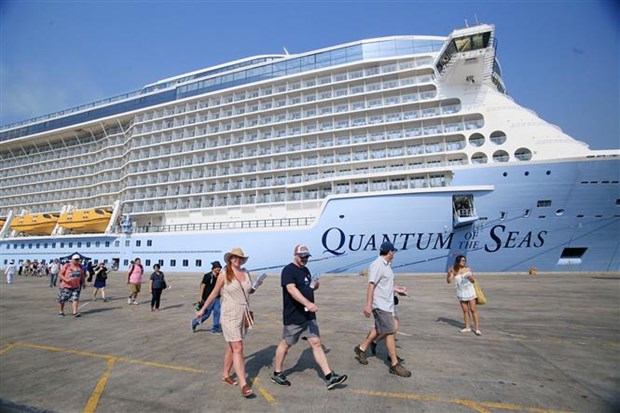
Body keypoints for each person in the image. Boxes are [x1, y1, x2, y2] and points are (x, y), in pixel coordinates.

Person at [271, 244, 348, 389]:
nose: (305, 259)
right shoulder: (288, 270)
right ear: (295, 255)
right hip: (294, 315)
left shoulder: (305, 270)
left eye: (307, 257)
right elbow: (291, 289)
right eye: (302, 257)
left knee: (316, 343)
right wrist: (308, 303)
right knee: (286, 344)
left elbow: (306, 287)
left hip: (308, 315)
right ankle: (277, 373)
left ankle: (329, 376)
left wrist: (315, 285)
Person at [196, 248, 256, 398]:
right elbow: (215, 292)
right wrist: (203, 309)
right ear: (230, 259)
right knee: (238, 346)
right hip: (229, 314)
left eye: (240, 258)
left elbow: (248, 291)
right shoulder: (224, 274)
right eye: (234, 257)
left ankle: (225, 375)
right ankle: (244, 384)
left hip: (243, 313)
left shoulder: (246, 272)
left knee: (232, 346)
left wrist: (256, 285)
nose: (237, 260)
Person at [353, 241, 411, 377]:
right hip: (380, 305)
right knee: (390, 330)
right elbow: (371, 285)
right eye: (393, 252)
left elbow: (385, 284)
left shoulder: (387, 266)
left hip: (388, 304)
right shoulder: (377, 265)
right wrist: (368, 305)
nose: (394, 254)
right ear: (390, 252)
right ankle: (394, 364)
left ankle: (361, 348)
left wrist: (398, 289)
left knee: (384, 328)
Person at [447, 255, 481, 335]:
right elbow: (449, 281)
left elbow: (473, 281)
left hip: (470, 291)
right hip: (461, 292)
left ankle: (477, 329)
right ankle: (467, 327)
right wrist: (449, 274)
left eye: (464, 260)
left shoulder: (468, 269)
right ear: (458, 261)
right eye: (462, 260)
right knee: (465, 311)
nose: (464, 262)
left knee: (473, 310)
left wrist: (470, 278)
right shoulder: (455, 270)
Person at [192, 260, 223, 334]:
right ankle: (195, 322)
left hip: (217, 298)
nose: (219, 269)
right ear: (213, 268)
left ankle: (215, 329)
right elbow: (202, 286)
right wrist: (200, 297)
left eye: (220, 268)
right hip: (208, 299)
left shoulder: (220, 276)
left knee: (217, 312)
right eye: (218, 268)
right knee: (206, 315)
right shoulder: (207, 276)